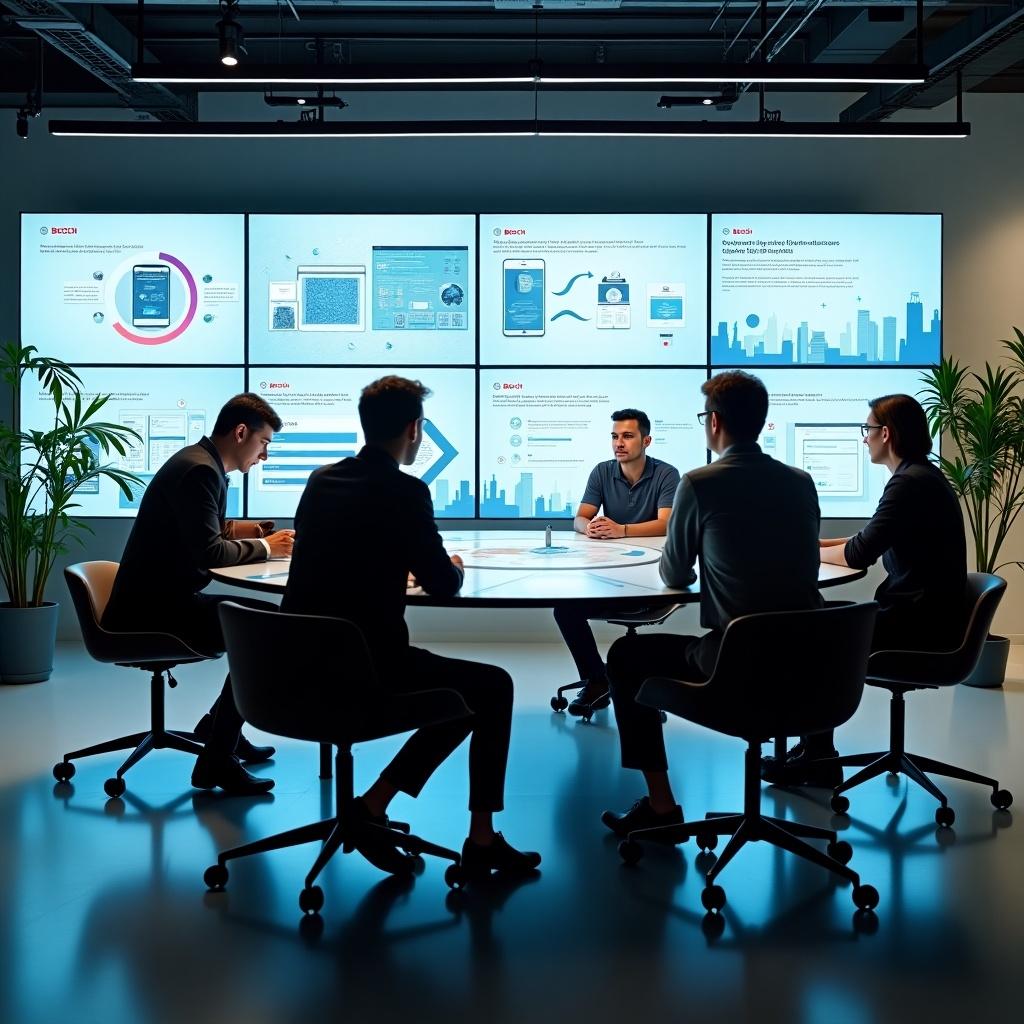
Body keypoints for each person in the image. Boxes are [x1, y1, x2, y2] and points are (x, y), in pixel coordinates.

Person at [281, 375, 541, 880]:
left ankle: (373, 806)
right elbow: (443, 585)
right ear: (414, 430)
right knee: (491, 688)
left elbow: (334, 559)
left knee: (462, 692)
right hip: (366, 671)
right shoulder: (406, 491)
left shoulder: (320, 480)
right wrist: (457, 565)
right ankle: (481, 839)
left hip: (295, 667)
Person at [601, 371, 823, 838]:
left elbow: (675, 575)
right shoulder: (801, 482)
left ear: (715, 422)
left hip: (734, 662)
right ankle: (818, 755)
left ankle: (662, 806)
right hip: (810, 662)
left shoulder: (699, 483)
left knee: (625, 656)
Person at [763, 392, 968, 787]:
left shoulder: (908, 484)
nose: (864, 438)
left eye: (868, 430)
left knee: (814, 632)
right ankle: (815, 751)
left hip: (921, 625)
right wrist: (810, 544)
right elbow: (867, 539)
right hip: (929, 614)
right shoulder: (919, 476)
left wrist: (805, 551)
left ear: (886, 434)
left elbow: (859, 555)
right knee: (819, 619)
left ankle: (818, 757)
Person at [103, 393, 295, 795]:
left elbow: (202, 528)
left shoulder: (199, 461)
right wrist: (267, 549)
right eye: (264, 444)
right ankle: (216, 759)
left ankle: (218, 728)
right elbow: (208, 552)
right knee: (263, 627)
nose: (265, 456)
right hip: (153, 613)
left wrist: (254, 532)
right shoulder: (200, 471)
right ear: (241, 433)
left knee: (263, 620)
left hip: (155, 601)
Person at [554, 409, 680, 716]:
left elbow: (666, 523)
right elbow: (580, 517)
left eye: (627, 436)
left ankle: (617, 680)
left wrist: (621, 530)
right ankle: (598, 680)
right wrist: (591, 527)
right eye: (614, 436)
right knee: (564, 609)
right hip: (608, 578)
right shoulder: (602, 471)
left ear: (646, 440)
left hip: (650, 583)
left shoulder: (666, 474)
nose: (618, 443)